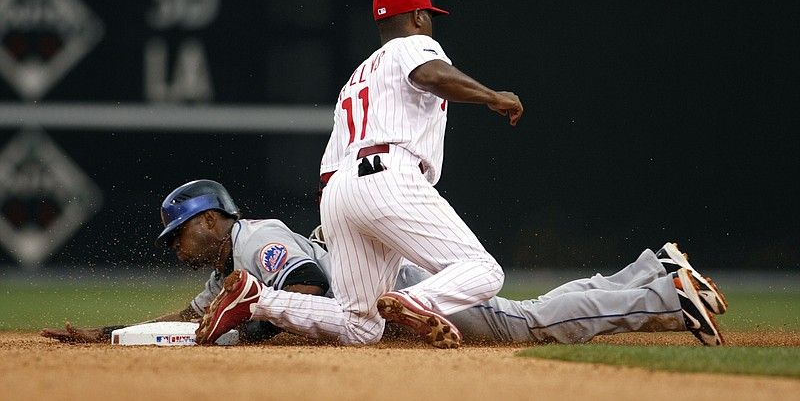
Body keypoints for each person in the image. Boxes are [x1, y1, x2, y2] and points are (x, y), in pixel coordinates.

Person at [196, 0, 524, 349]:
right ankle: (416, 301)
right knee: (484, 271)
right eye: (428, 15)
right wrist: (492, 96)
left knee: (360, 326)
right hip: (388, 176)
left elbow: (331, 165)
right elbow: (431, 74)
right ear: (418, 16)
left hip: (340, 191)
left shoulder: (356, 79)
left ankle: (257, 300)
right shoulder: (413, 46)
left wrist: (342, 219)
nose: (430, 22)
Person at [41, 179, 727, 346]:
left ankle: (668, 297)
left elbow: (304, 286)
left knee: (527, 324)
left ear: (210, 221)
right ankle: (653, 270)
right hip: (385, 290)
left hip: (399, 288)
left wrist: (255, 323)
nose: (178, 249)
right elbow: (193, 326)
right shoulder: (228, 269)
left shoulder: (255, 241)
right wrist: (109, 337)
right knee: (525, 314)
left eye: (181, 237)